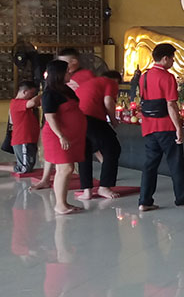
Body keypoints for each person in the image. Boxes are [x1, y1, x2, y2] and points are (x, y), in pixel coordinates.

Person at [139, 43, 184, 212]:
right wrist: (178, 127)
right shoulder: (167, 77)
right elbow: (171, 105)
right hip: (166, 126)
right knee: (176, 163)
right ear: (165, 58)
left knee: (150, 165)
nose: (172, 61)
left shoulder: (144, 76)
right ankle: (181, 198)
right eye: (172, 58)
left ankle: (145, 201)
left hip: (149, 127)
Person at [40, 60, 87, 215]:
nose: (70, 73)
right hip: (57, 135)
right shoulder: (49, 93)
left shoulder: (65, 90)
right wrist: (61, 135)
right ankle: (59, 204)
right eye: (67, 71)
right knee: (65, 168)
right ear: (59, 74)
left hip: (71, 135)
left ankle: (64, 202)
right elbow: (50, 117)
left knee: (67, 168)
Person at [75, 71, 122, 200]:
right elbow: (108, 101)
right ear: (115, 80)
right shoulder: (110, 82)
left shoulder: (90, 83)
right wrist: (113, 119)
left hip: (76, 118)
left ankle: (87, 191)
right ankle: (104, 187)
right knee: (112, 149)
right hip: (91, 118)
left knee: (85, 152)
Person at [9, 80, 41, 174]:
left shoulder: (23, 104)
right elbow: (32, 103)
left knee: (28, 163)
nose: (32, 96)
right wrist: (43, 93)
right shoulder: (16, 103)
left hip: (29, 139)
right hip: (23, 139)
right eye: (31, 93)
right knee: (24, 168)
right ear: (24, 92)